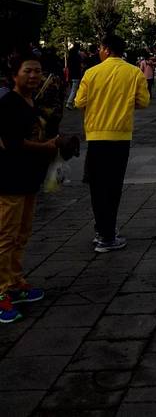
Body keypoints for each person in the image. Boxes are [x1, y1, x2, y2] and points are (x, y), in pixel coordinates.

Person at [0, 55, 62, 323]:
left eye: (38, 71)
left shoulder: (31, 101)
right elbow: (11, 142)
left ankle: (14, 282)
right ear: (15, 75)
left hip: (28, 179)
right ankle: (1, 291)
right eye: (28, 71)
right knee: (5, 235)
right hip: (9, 179)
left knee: (21, 234)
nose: (34, 76)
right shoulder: (8, 104)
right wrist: (44, 147)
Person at [75, 34, 150, 252]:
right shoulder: (133, 72)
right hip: (120, 137)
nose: (99, 51)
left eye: (100, 48)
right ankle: (108, 234)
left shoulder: (91, 73)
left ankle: (102, 231)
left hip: (96, 137)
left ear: (106, 49)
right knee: (113, 186)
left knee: (97, 187)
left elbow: (79, 102)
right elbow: (143, 102)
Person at [65, 43, 83, 109]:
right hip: (76, 74)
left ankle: (73, 102)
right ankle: (69, 102)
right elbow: (80, 65)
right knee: (74, 90)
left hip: (71, 74)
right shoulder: (77, 56)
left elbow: (68, 66)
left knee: (73, 89)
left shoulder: (70, 56)